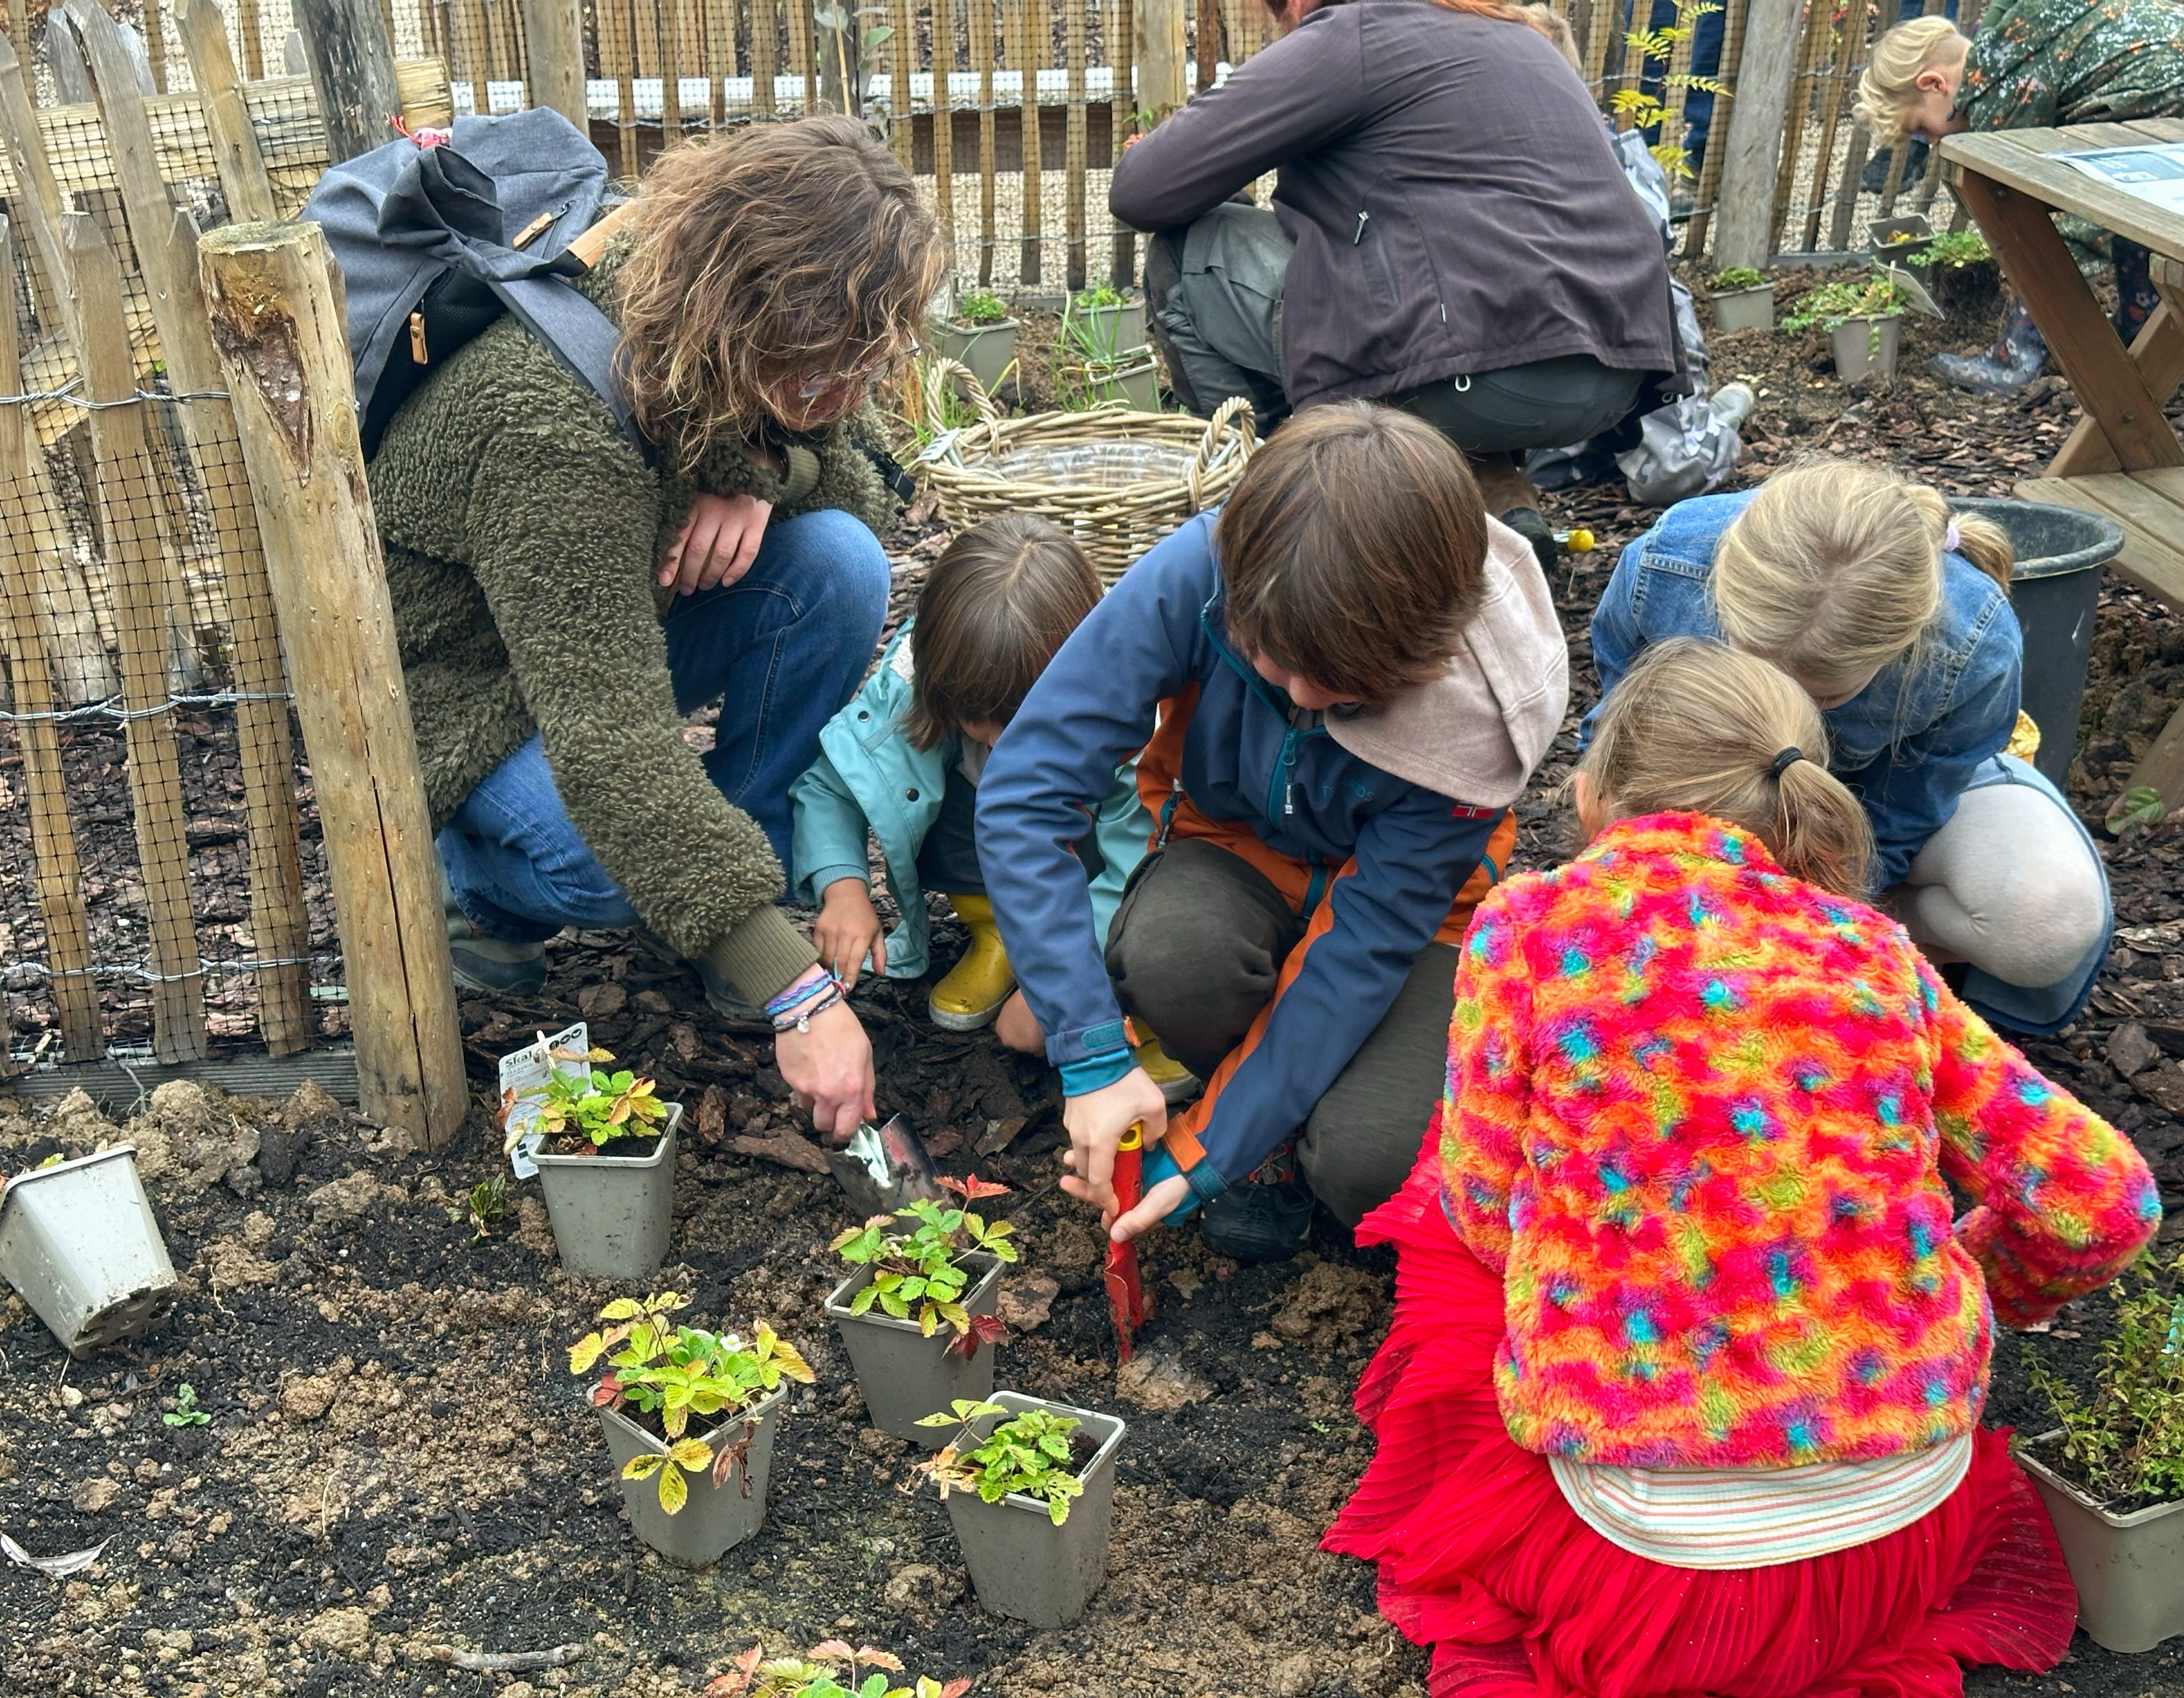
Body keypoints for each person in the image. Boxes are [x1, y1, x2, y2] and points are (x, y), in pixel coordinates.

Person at [1325, 638, 2161, 1698]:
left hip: (1644, 1568)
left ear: (1593, 792)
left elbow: (1485, 1208)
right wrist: (1973, 1277)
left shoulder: (1534, 927)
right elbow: (2107, 1201)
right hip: (1895, 1539)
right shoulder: (1874, 953)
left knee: (1437, 1207)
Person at [373, 116, 945, 1142]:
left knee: (839, 567)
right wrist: (803, 1002)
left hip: (612, 624)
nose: (852, 391)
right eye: (829, 367)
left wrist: (767, 474)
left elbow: (866, 481)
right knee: (605, 866)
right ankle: (478, 890)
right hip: (471, 694)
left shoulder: (716, 323)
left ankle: (734, 896)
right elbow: (613, 744)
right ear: (746, 319)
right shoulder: (553, 429)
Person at [976, 403, 1568, 1262]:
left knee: (1368, 1160)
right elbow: (1026, 795)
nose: (1299, 697)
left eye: (1343, 688)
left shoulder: (1471, 721)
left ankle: (1266, 1129)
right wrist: (1093, 1056)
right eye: (1274, 661)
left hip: (1417, 922)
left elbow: (1359, 949)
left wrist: (1202, 1152)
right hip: (1237, 847)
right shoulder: (1206, 569)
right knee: (1176, 956)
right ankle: (1252, 1126)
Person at [1107, 0, 1685, 562]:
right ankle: (1491, 499)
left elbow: (1144, 190)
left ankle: (1282, 513)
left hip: (1484, 368)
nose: (1279, 27)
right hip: (1621, 367)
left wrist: (1164, 160)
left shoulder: (1350, 32)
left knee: (1184, 253)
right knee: (1446, 301)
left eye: (1276, 12)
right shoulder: (1509, 30)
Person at [1589, 458, 2111, 1035]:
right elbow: (1619, 745)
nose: (1784, 701)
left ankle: (1883, 963)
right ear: (1721, 592)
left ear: (1902, 643)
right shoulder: (1665, 563)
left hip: (1876, 804)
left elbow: (1902, 818)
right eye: (1752, 659)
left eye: (1824, 694)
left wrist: (1810, 918)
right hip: (1714, 792)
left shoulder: (1971, 644)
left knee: (2046, 924)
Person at [789, 515, 1194, 1099]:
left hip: (1096, 886)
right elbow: (830, 788)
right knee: (929, 794)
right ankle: (998, 935)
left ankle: (1133, 1003)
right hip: (985, 855)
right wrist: (845, 889)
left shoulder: (1125, 704)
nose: (1003, 743)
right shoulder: (912, 688)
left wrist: (1066, 987)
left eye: (1024, 722)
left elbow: (1139, 856)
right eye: (980, 719)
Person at [1854, 2, 2184, 392]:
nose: (1932, 143)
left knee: (2074, 222)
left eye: (1922, 130)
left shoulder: (1996, 90)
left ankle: (2014, 359)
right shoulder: (2006, 51)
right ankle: (2144, 329)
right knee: (2134, 211)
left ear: (1934, 84)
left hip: (2160, 96)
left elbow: (2020, 212)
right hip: (2158, 90)